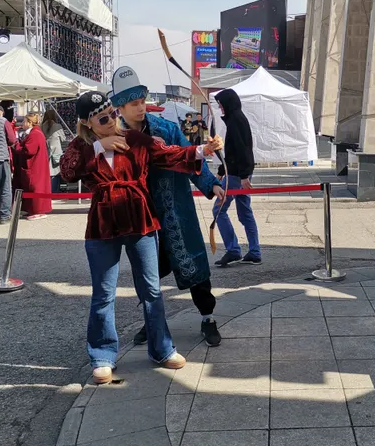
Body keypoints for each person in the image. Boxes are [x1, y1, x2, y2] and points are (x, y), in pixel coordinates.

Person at [60, 90, 223, 384]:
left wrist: (203, 150)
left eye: (112, 114)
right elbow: (67, 171)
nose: (111, 121)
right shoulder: (81, 146)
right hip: (103, 224)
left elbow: (170, 154)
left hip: (140, 219)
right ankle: (102, 356)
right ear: (86, 123)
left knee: (151, 289)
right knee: (103, 293)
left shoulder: (134, 139)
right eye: (102, 119)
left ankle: (162, 348)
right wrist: (97, 146)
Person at [109, 66, 226, 347]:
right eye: (133, 104)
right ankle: (153, 322)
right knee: (147, 274)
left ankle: (208, 317)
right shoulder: (113, 137)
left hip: (176, 209)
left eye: (142, 102)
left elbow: (189, 157)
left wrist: (211, 184)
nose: (140, 108)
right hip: (141, 216)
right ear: (120, 108)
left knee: (194, 262)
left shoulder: (167, 129)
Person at [212, 89, 261, 266]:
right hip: (238, 172)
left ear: (228, 103)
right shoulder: (237, 118)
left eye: (221, 104)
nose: (220, 107)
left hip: (236, 175)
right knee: (245, 212)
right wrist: (222, 170)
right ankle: (254, 251)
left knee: (218, 210)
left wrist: (243, 175)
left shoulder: (235, 120)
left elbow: (242, 149)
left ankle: (233, 250)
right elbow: (233, 151)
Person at [12, 112, 53, 220]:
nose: (22, 123)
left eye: (24, 121)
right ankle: (31, 209)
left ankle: (38, 211)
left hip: (35, 167)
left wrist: (16, 146)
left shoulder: (35, 134)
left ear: (30, 122)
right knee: (30, 188)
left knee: (36, 188)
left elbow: (29, 150)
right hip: (34, 166)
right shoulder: (34, 133)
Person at [42, 110, 66, 193]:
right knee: (56, 173)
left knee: (47, 173)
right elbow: (63, 139)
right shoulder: (57, 126)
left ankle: (48, 191)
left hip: (45, 153)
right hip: (56, 153)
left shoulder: (41, 126)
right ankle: (55, 191)